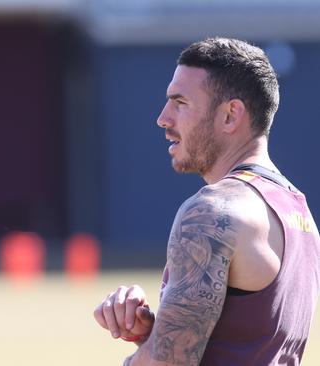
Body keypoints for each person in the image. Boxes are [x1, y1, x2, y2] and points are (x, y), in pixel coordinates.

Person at [93, 37, 320, 365]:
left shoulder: (212, 212)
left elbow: (168, 363)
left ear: (230, 115)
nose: (163, 118)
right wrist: (156, 333)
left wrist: (148, 353)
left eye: (180, 102)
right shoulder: (298, 211)